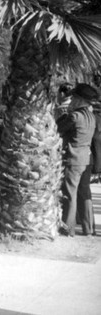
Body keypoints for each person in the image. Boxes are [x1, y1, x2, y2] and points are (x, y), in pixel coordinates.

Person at [56, 83, 97, 237]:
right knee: (84, 193)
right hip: (86, 158)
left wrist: (64, 115)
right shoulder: (91, 116)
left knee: (69, 193)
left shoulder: (74, 116)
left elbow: (58, 129)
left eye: (73, 98)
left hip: (73, 158)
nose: (71, 100)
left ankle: (67, 228)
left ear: (80, 100)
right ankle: (88, 228)